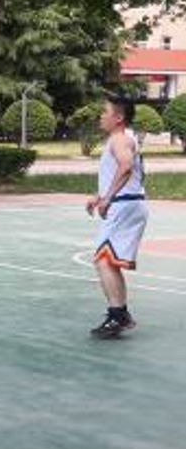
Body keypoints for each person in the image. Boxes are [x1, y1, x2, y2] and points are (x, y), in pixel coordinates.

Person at [85, 97, 148, 339]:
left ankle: (118, 315)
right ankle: (119, 314)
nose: (101, 116)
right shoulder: (122, 138)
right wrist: (100, 196)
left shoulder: (120, 139)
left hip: (124, 206)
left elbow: (126, 167)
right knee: (107, 261)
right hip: (128, 203)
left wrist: (108, 198)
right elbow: (123, 173)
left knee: (103, 260)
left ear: (119, 118)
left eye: (105, 112)